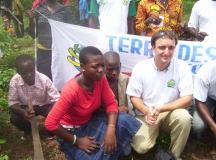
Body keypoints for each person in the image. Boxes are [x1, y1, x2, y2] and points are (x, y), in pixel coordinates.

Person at [45, 46, 141, 160]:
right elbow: (50, 123)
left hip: (89, 121)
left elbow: (111, 104)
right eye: (95, 67)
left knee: (124, 120)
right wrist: (78, 141)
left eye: (103, 65)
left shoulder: (100, 79)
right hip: (71, 130)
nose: (101, 70)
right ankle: (65, 143)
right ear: (82, 67)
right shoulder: (71, 90)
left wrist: (111, 130)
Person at [126, 30, 193, 159]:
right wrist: (146, 111)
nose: (166, 52)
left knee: (184, 117)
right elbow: (134, 96)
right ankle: (156, 142)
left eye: (171, 48)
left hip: (170, 112)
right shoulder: (141, 67)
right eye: (161, 47)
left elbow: (187, 99)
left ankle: (174, 155)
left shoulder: (182, 67)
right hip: (146, 113)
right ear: (153, 48)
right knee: (141, 148)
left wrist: (161, 109)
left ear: (175, 48)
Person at [9, 54, 60, 140]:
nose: (29, 75)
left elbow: (57, 99)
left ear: (34, 67)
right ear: (18, 71)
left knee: (60, 115)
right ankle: (28, 129)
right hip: (26, 107)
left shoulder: (44, 79)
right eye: (24, 73)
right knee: (15, 118)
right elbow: (12, 103)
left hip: (45, 105)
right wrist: (22, 111)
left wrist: (54, 115)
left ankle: (50, 129)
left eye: (31, 70)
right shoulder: (15, 81)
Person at [28, 0, 72, 80]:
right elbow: (33, 35)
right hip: (43, 54)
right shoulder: (38, 9)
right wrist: (31, 20)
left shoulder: (65, 10)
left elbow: (69, 33)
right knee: (44, 81)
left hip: (60, 53)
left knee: (60, 81)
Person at [190, 60, 216, 144]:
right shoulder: (207, 71)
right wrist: (213, 126)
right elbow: (200, 101)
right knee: (198, 125)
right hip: (206, 96)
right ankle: (194, 138)